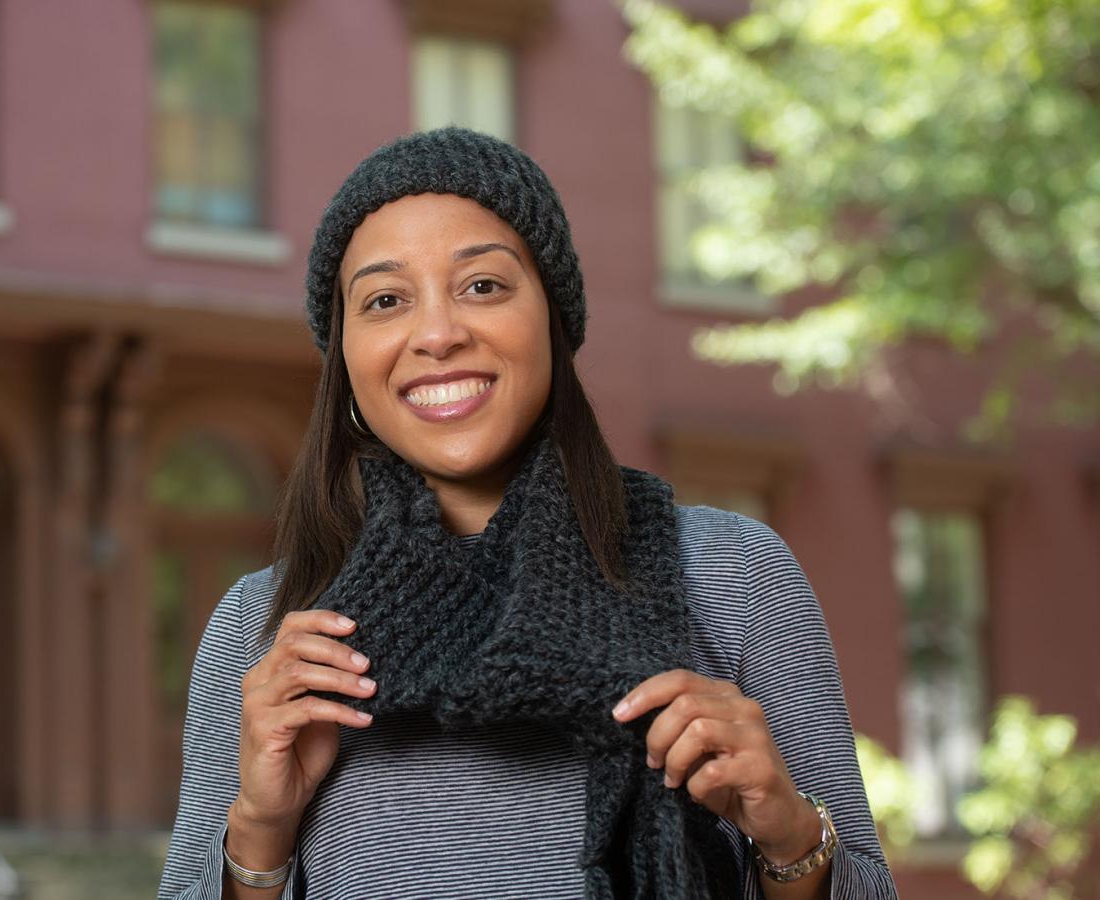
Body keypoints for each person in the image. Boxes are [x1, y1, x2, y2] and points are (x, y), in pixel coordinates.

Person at [157, 127, 899, 899]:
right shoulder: (265, 631)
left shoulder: (734, 574)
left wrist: (787, 831)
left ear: (552, 315)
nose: (438, 335)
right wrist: (260, 826)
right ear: (346, 356)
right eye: (385, 300)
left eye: (483, 286)